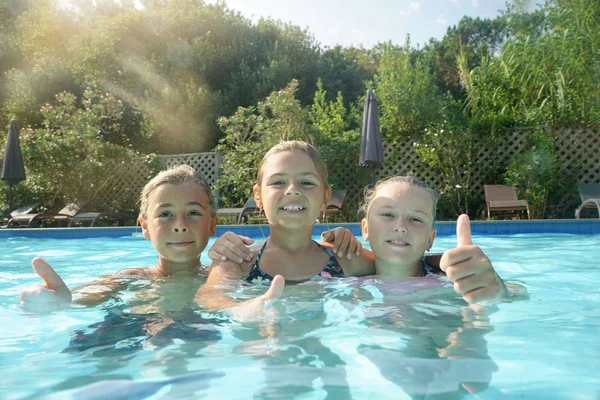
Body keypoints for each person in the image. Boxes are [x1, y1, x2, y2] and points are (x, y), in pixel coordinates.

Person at [196, 140, 375, 318]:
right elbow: (210, 298)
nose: (292, 190)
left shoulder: (346, 258)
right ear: (258, 196)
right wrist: (245, 309)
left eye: (306, 182)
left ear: (325, 197)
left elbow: (395, 269)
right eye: (278, 182)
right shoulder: (239, 262)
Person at [20, 165, 220, 312]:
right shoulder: (132, 277)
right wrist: (63, 301)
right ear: (145, 227)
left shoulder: (225, 275)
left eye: (193, 213)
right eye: (165, 214)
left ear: (212, 225)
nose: (180, 225)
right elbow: (92, 294)